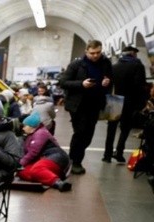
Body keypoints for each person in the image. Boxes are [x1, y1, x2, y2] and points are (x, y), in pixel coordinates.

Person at [59, 39, 113, 174]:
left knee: (89, 134)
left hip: (95, 104)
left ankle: (74, 159)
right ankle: (75, 161)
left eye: (98, 52)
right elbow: (63, 82)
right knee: (80, 132)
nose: (95, 55)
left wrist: (107, 83)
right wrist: (81, 84)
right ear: (86, 52)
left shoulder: (106, 63)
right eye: (92, 53)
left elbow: (110, 80)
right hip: (78, 105)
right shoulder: (76, 64)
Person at [103, 45, 146, 164]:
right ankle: (119, 153)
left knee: (111, 129)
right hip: (129, 101)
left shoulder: (114, 66)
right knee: (125, 128)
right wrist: (141, 103)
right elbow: (140, 85)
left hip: (114, 99)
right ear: (132, 53)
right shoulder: (138, 65)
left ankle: (107, 155)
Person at [17, 112, 72, 191]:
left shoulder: (40, 133)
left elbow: (32, 153)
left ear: (32, 126)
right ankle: (46, 175)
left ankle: (57, 182)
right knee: (22, 171)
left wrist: (18, 165)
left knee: (36, 169)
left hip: (57, 157)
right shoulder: (31, 134)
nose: (23, 128)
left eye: (25, 126)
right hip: (46, 159)